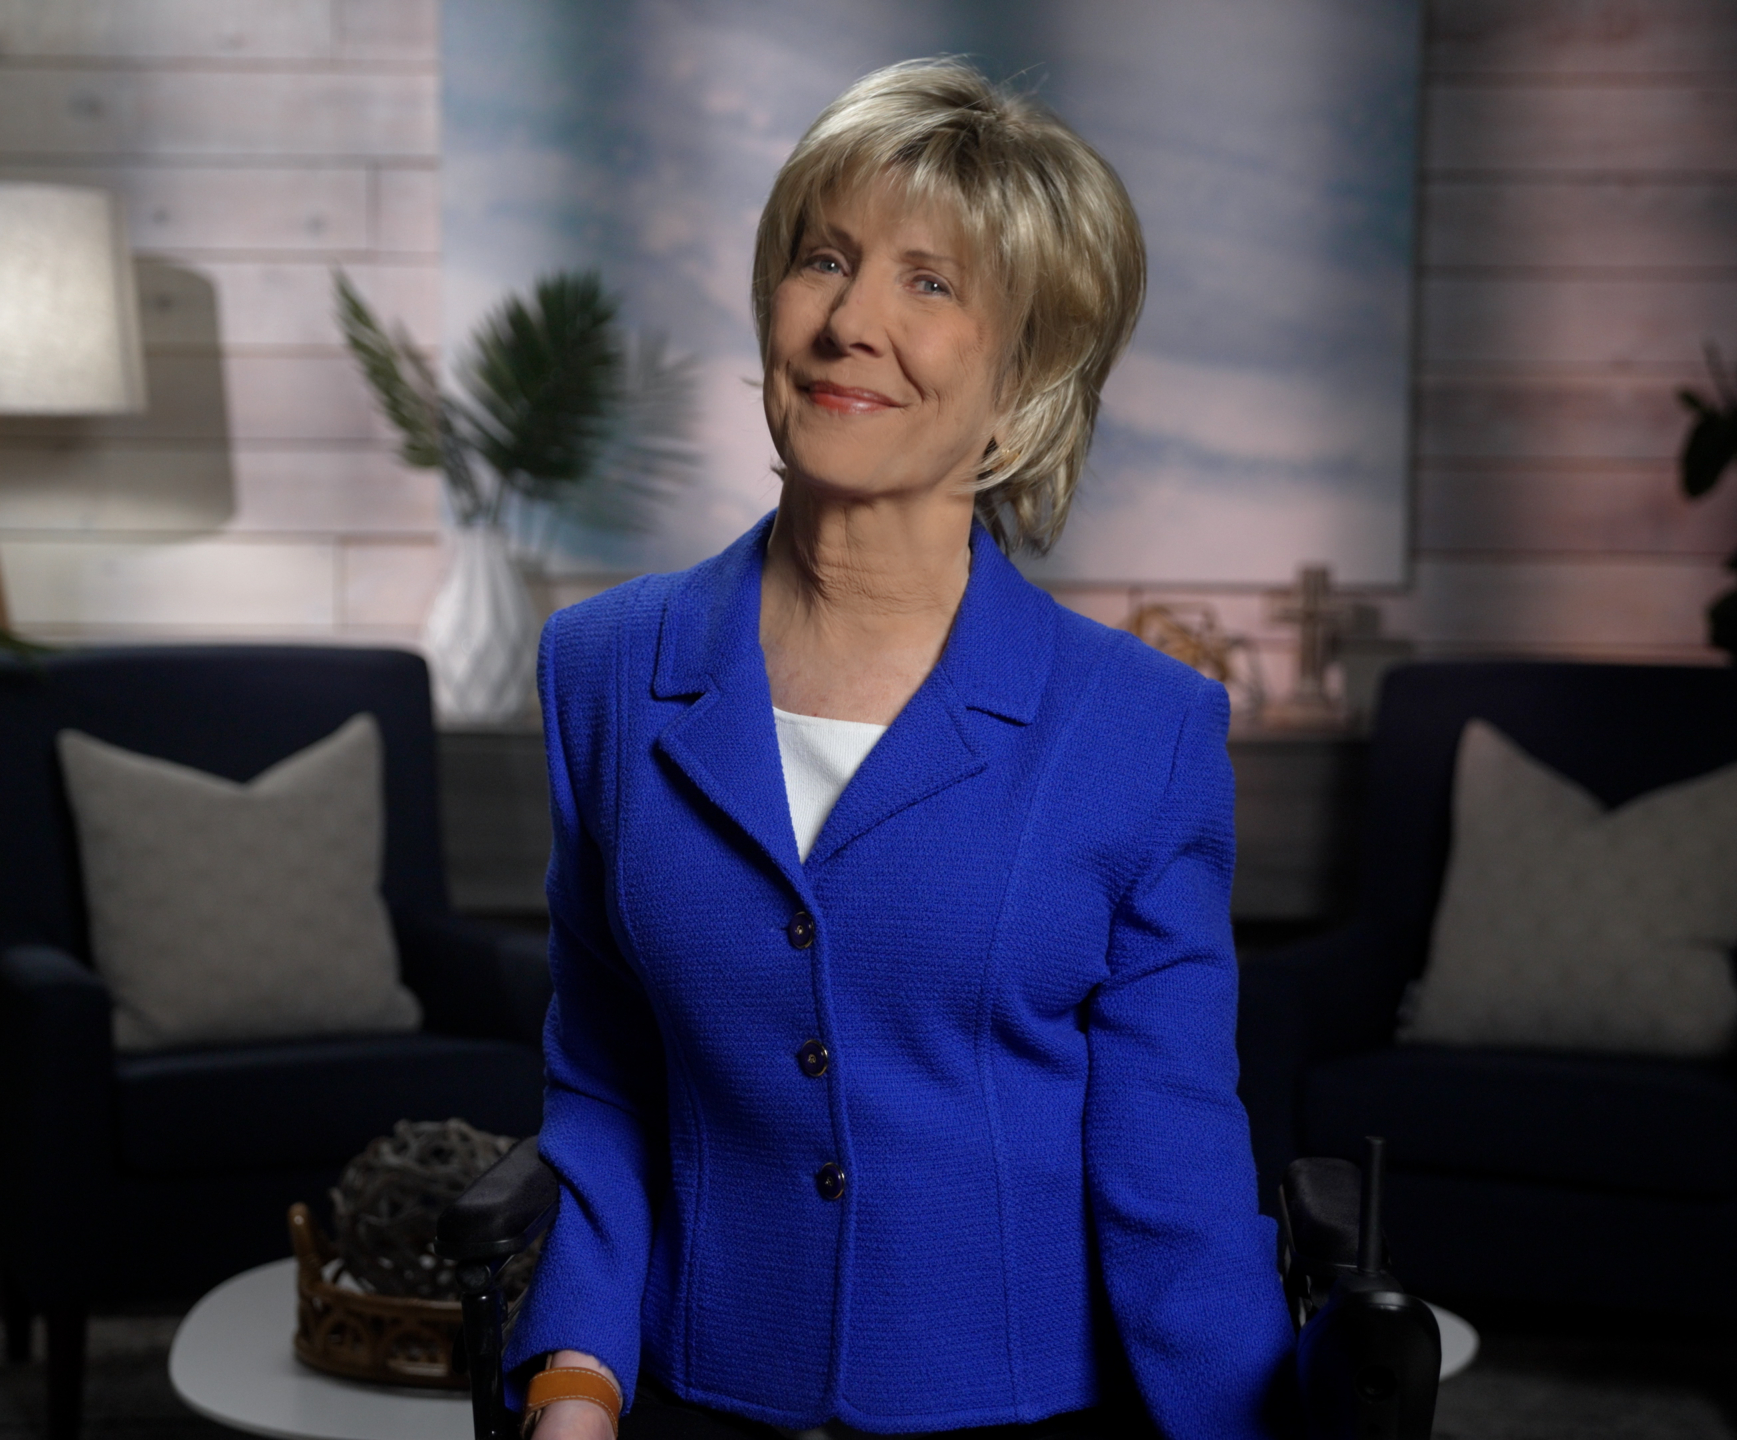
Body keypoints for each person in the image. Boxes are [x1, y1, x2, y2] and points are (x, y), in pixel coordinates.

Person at [509, 58, 1293, 1440]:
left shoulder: (1145, 734)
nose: (851, 322)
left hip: (1016, 1419)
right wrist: (574, 1382)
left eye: (931, 285)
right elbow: (607, 1084)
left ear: (1024, 383)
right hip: (688, 1401)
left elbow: (1173, 1176)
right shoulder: (602, 672)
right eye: (825, 259)